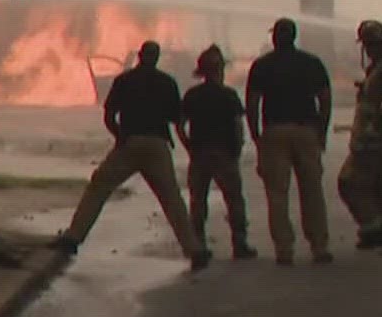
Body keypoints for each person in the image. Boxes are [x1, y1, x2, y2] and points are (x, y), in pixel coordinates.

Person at [52, 41, 210, 272]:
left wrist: (119, 136)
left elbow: (109, 115)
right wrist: (187, 145)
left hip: (129, 142)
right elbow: (177, 120)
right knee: (171, 198)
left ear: (139, 56)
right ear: (156, 58)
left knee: (99, 187)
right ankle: (194, 250)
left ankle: (74, 237)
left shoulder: (124, 80)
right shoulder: (167, 82)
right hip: (157, 144)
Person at [246, 18, 334, 266]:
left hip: (274, 132)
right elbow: (325, 99)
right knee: (312, 192)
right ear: (294, 36)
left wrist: (256, 136)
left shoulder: (262, 66)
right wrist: (322, 131)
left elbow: (252, 103)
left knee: (277, 194)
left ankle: (284, 250)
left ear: (275, 37)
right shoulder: (312, 63)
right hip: (306, 131)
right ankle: (319, 246)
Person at [177, 44, 254, 261]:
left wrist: (189, 146)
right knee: (234, 199)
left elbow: (180, 125)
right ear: (220, 70)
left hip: (200, 152)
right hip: (224, 152)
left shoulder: (192, 95)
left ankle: (198, 246)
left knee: (198, 201)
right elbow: (238, 125)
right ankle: (240, 244)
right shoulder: (229, 95)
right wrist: (237, 149)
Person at [339, 20, 382, 248]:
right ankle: (380, 227)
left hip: (371, 140)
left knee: (349, 182)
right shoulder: (380, 68)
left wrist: (371, 130)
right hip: (369, 138)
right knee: (374, 187)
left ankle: (374, 226)